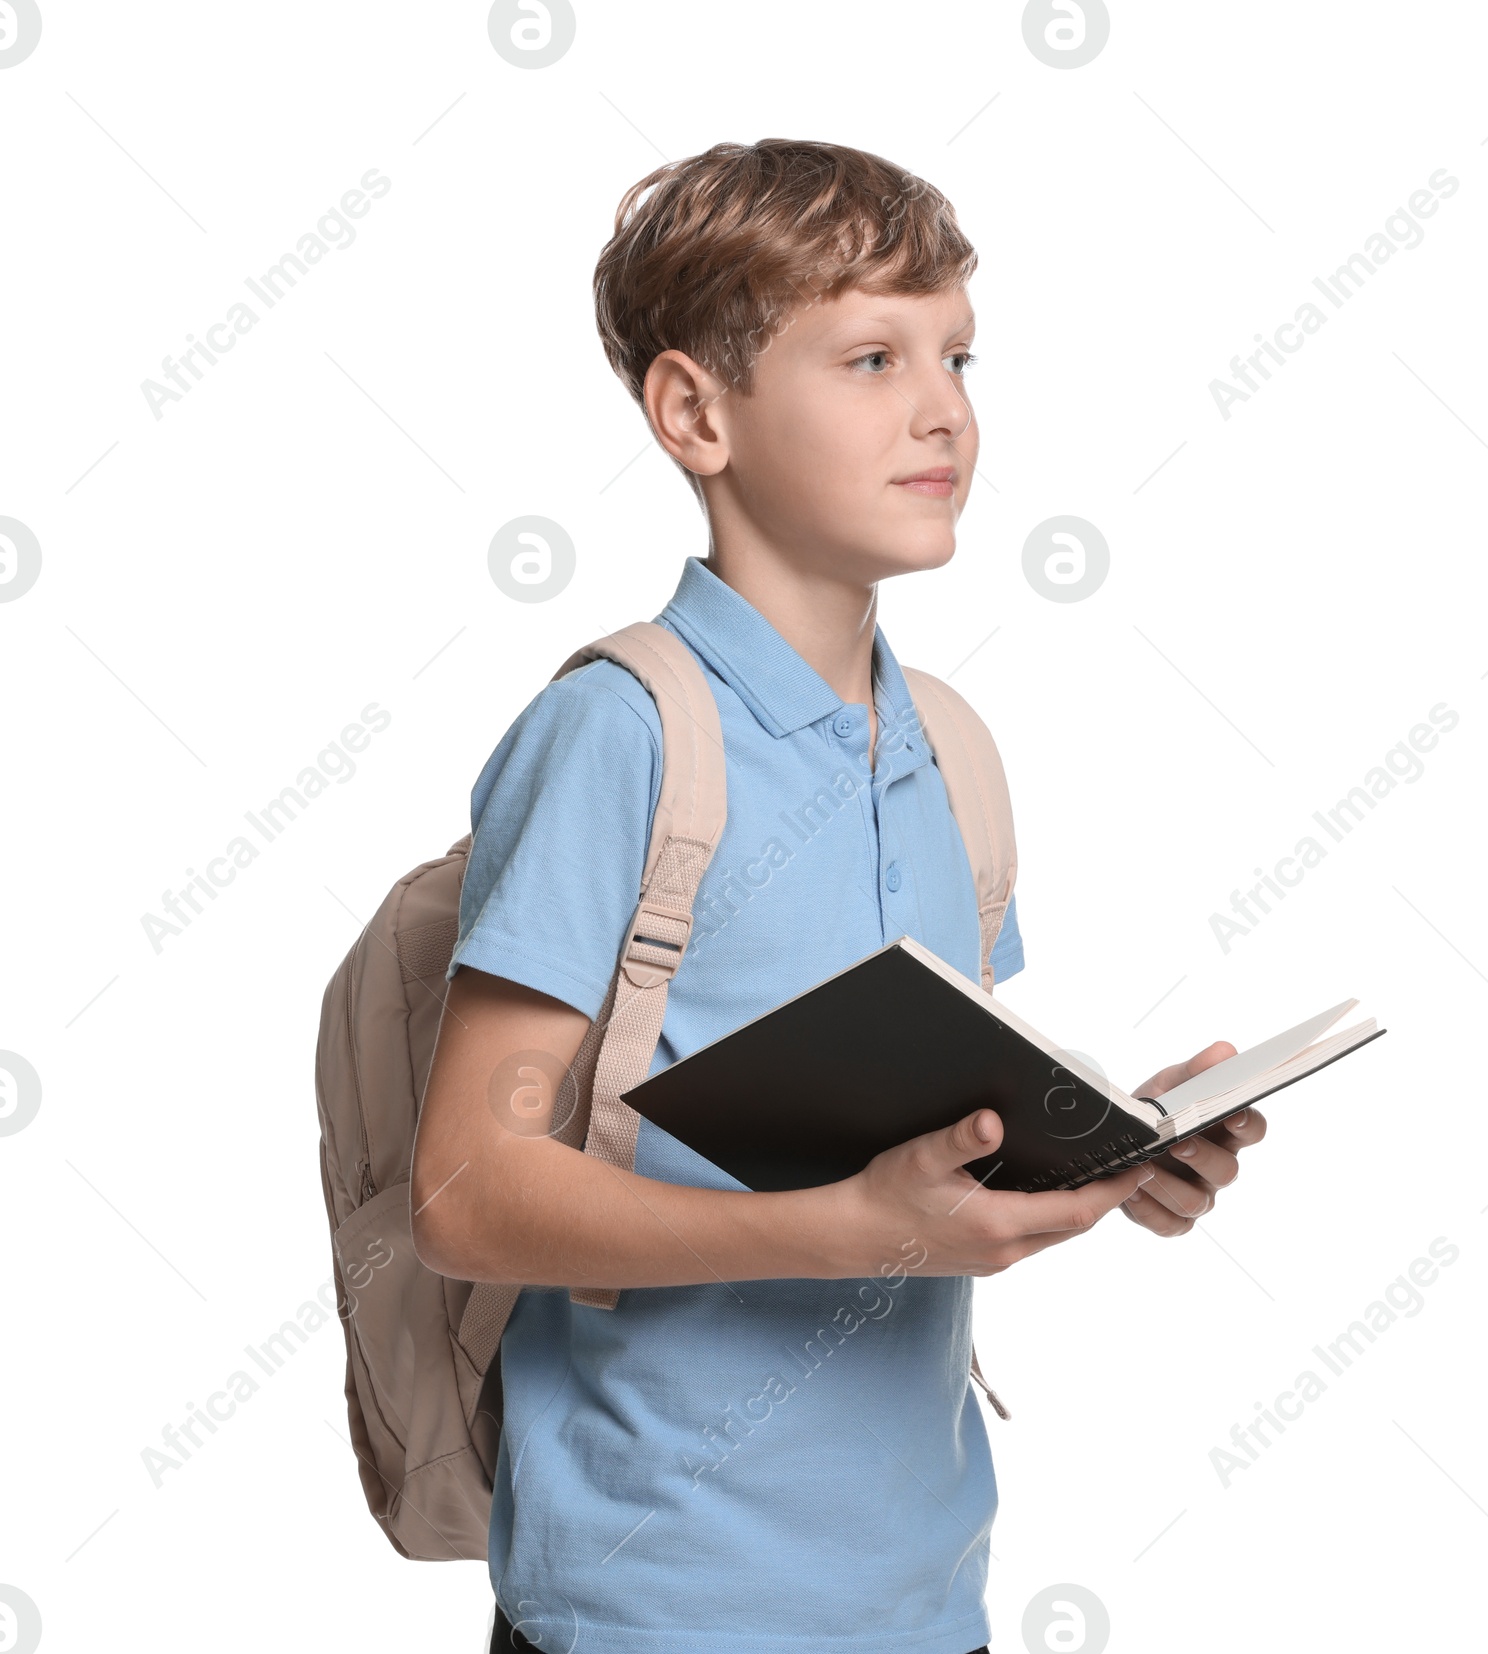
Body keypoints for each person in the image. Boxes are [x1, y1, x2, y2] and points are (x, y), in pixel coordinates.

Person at [413, 138, 1264, 1654]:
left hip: (927, 1604)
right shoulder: (618, 735)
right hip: (649, 1612)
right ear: (695, 411)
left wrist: (1117, 1144)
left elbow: (929, 1141)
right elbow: (466, 1190)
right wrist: (847, 1227)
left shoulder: (948, 741)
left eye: (958, 354)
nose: (944, 409)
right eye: (871, 356)